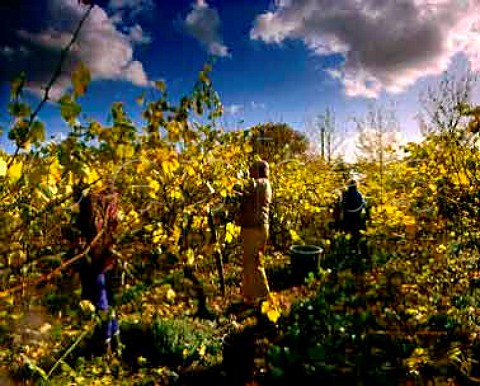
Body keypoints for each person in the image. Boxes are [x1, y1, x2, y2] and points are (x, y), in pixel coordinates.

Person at [71, 183, 123, 357]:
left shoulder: (89, 209)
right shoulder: (110, 204)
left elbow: (85, 239)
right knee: (107, 302)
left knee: (101, 304)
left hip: (95, 263)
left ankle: (104, 345)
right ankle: (114, 341)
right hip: (107, 261)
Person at [236, 160, 272, 307]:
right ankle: (250, 297)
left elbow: (243, 189)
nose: (250, 173)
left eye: (252, 170)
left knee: (254, 262)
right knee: (250, 262)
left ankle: (265, 297)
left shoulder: (261, 183)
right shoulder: (265, 184)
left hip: (254, 228)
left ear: (258, 171)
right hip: (259, 227)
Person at [340, 179, 369, 260]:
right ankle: (358, 253)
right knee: (356, 236)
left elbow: (341, 205)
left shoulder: (345, 194)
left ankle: (346, 253)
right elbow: (364, 205)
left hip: (347, 219)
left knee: (347, 235)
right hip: (357, 219)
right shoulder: (359, 194)